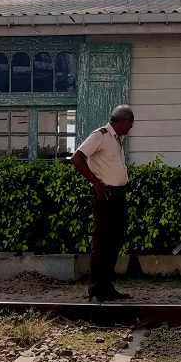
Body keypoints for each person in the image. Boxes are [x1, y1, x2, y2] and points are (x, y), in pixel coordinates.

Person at [72, 104, 135, 303]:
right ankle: (95, 290)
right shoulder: (100, 135)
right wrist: (96, 182)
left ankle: (106, 287)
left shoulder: (117, 139)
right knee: (101, 242)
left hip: (117, 194)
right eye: (130, 124)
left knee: (114, 242)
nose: (131, 128)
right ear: (122, 121)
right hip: (105, 194)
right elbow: (77, 158)